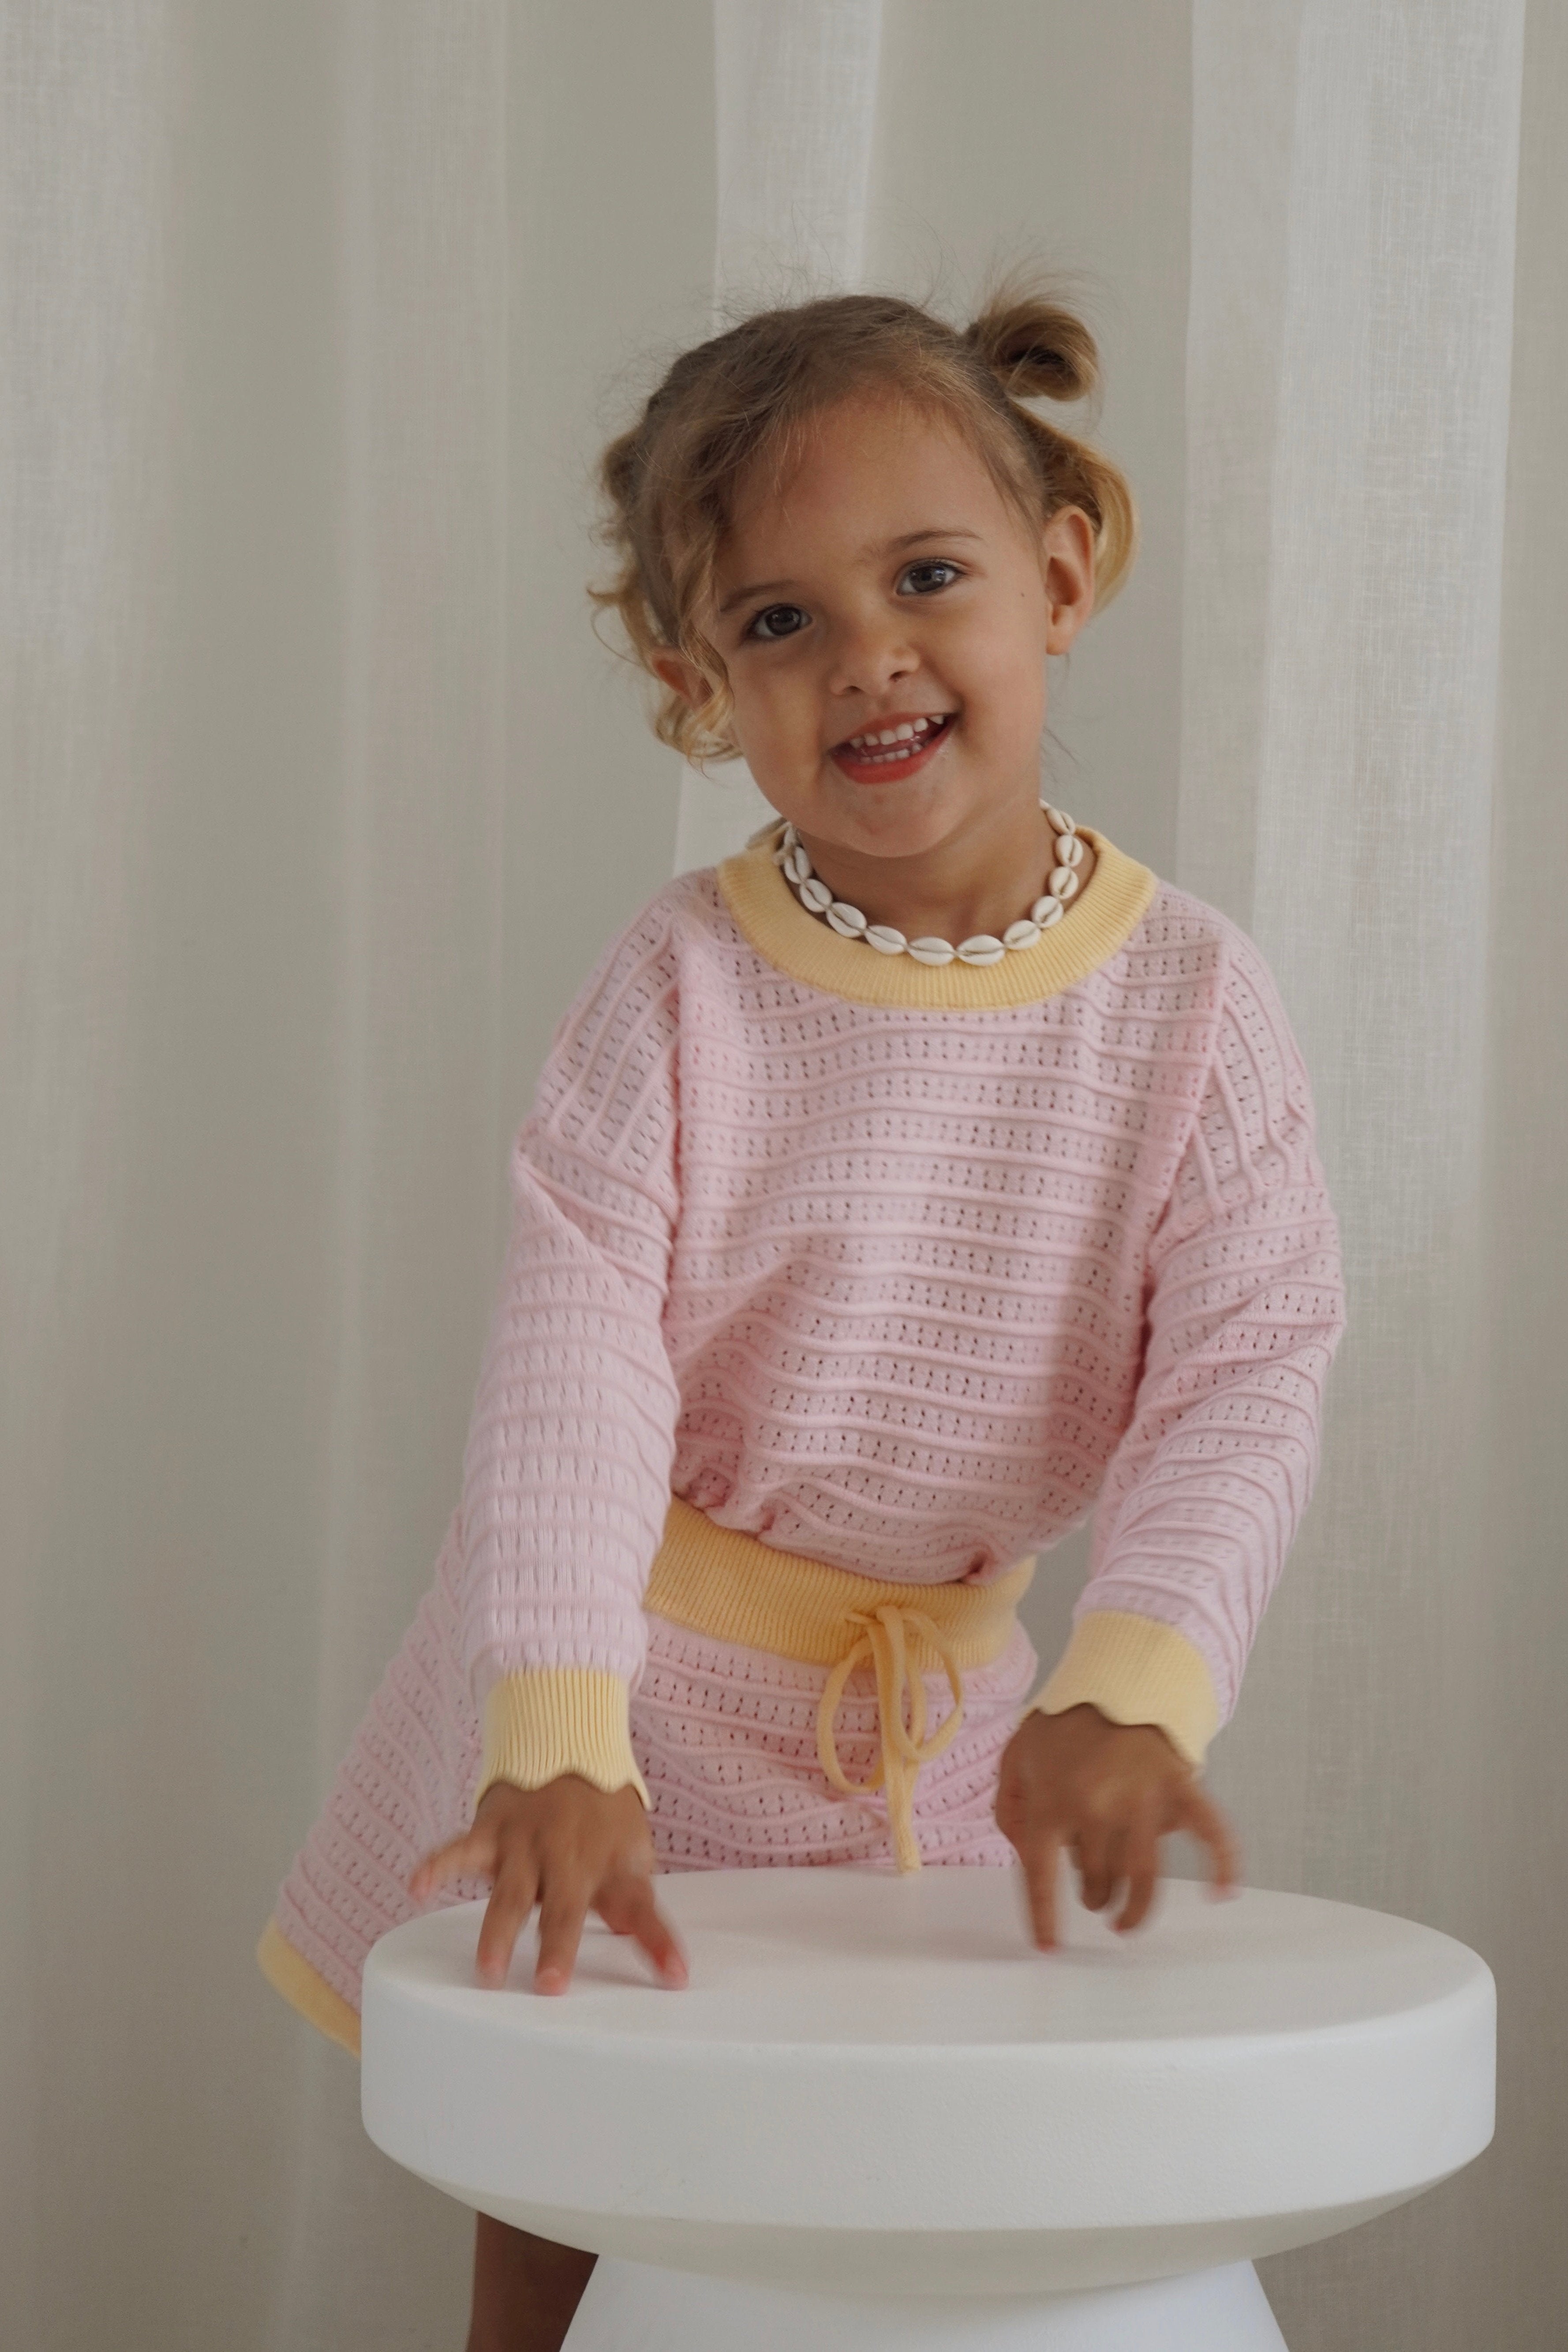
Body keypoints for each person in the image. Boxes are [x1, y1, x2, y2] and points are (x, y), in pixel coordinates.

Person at [258, 280, 1346, 2351]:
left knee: (922, 2185)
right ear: (698, 686)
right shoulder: (678, 989)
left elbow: (1248, 1360)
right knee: (571, 2154)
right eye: (776, 621)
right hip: (637, 1684)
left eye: (925, 576)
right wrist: (560, 1728)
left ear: (1058, 572)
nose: (866, 657)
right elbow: (571, 1369)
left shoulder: (1192, 1003)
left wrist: (1134, 1678)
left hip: (943, 1726)